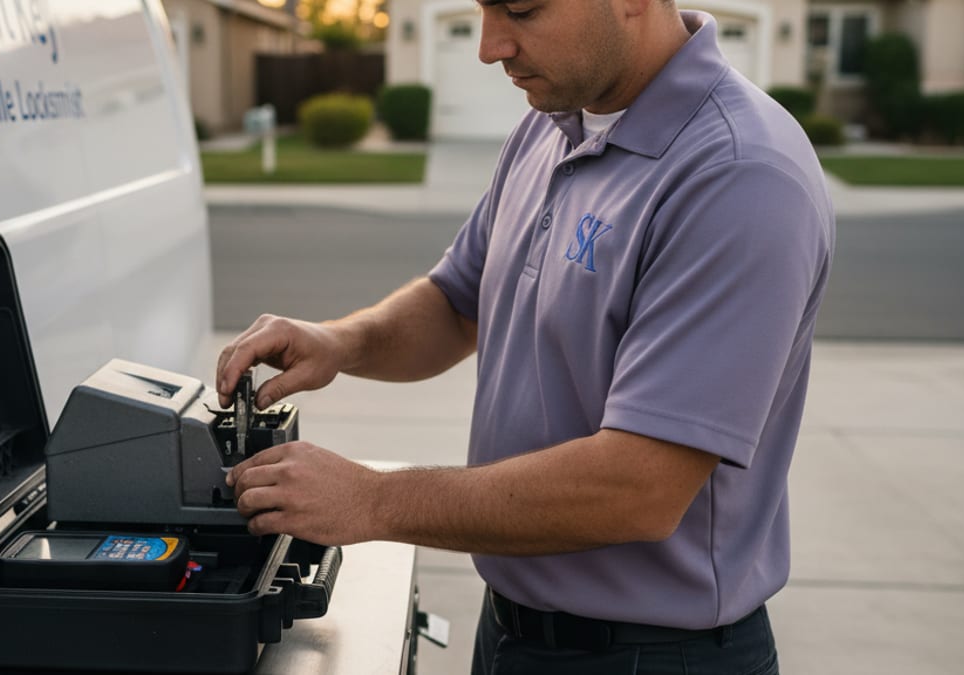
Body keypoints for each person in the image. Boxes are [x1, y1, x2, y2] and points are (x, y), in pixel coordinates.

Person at [217, 1, 834, 672]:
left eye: (521, 9)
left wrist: (372, 500)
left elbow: (640, 488)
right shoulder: (551, 125)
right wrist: (342, 341)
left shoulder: (738, 175)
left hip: (651, 654)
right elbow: (458, 305)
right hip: (512, 629)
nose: (489, 46)